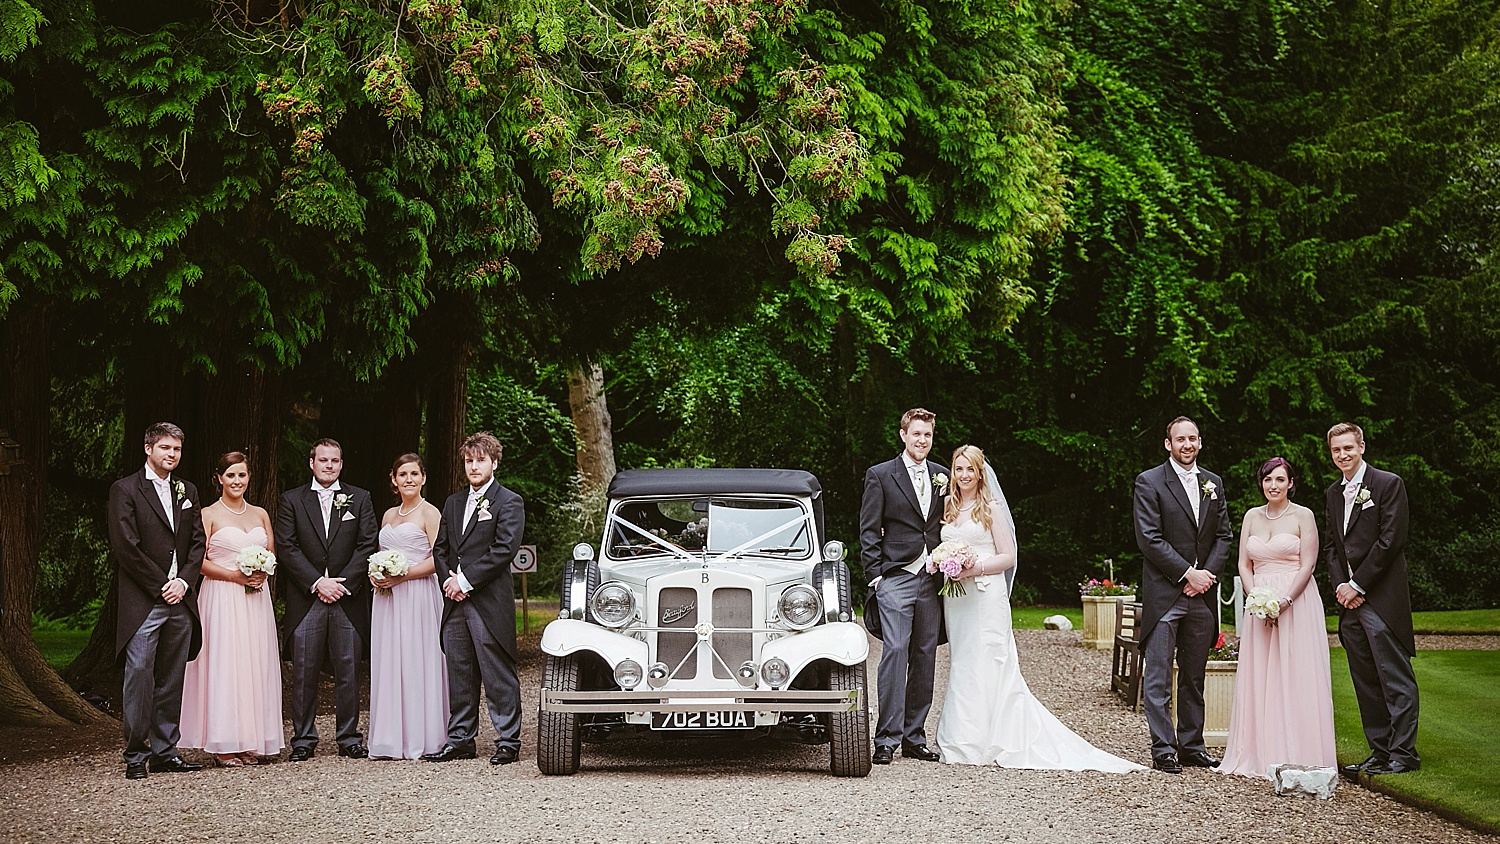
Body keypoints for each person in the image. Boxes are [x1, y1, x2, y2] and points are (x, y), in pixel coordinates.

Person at [935, 446, 1143, 772]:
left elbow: (1008, 557)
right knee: (964, 660)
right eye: (958, 469)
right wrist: (944, 561)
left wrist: (974, 567)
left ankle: (996, 736)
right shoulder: (950, 505)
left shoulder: (992, 507)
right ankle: (963, 738)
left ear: (980, 473)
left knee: (990, 659)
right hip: (958, 599)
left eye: (969, 470)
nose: (963, 476)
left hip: (986, 596)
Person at [1218, 457, 1335, 778]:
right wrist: (1255, 597)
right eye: (1268, 480)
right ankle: (1258, 752)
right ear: (1262, 483)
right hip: (1259, 604)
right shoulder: (1252, 517)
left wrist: (1283, 601)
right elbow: (1243, 563)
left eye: (1280, 480)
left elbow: (1308, 564)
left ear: (1291, 483)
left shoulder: (1303, 516)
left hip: (1296, 602)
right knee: (1261, 675)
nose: (1274, 486)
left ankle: (1300, 751)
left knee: (1296, 673)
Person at [1132, 416, 1233, 773]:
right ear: (1168, 444)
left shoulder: (1213, 483)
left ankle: (1192, 745)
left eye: (1193, 439)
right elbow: (1149, 538)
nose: (1187, 445)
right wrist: (1187, 573)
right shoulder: (1149, 481)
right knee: (1158, 676)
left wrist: (1206, 576)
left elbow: (1223, 535)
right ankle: (1163, 748)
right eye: (1180, 439)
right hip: (1166, 595)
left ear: (1200, 442)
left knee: (1194, 675)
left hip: (1202, 595)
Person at [107, 421, 206, 780]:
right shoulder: (125, 489)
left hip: (180, 600)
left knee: (172, 677)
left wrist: (183, 582)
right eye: (165, 448)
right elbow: (125, 547)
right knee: (139, 676)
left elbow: (198, 543)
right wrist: (162, 584)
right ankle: (135, 755)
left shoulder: (187, 490)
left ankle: (165, 751)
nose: (172, 455)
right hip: (145, 602)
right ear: (148, 449)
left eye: (177, 449)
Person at [422, 432, 526, 765]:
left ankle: (508, 740)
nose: (474, 466)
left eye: (480, 460)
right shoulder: (453, 503)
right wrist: (449, 582)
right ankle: (461, 739)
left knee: (497, 673)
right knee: (459, 672)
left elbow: (503, 550)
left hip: (488, 601)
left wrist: (466, 581)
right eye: (469, 460)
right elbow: (440, 549)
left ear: (494, 462)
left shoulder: (509, 502)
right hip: (455, 602)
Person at [275, 438, 379, 761]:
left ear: (341, 464)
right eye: (323, 460)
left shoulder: (359, 499)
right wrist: (318, 583)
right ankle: (303, 739)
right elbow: (287, 548)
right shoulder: (291, 500)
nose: (329, 466)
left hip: (347, 598)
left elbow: (367, 544)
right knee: (304, 671)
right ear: (312, 463)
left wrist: (341, 583)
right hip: (308, 599)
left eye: (335, 461)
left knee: (348, 670)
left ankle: (348, 737)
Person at [1325, 422, 1419, 776]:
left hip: (1381, 599)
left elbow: (1391, 540)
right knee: (1365, 681)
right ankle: (1380, 751)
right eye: (1336, 450)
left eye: (1348, 448)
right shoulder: (1334, 493)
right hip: (1349, 603)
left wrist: (1358, 585)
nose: (1342, 455)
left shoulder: (1388, 484)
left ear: (1362, 446)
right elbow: (1334, 546)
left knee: (1395, 679)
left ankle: (1404, 754)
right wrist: (1341, 586)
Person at [179, 452, 285, 767]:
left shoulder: (261, 513)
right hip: (222, 597)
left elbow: (271, 551)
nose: (237, 481)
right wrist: (234, 575)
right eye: (231, 476)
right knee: (226, 665)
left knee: (254, 664)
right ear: (219, 478)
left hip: (256, 599)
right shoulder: (209, 514)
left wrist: (262, 571)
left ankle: (250, 739)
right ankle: (223, 743)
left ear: (249, 477)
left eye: (242, 475)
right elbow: (196, 561)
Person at [859, 407, 947, 765]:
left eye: (927, 435)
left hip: (932, 579)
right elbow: (868, 528)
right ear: (903, 435)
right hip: (895, 577)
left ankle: (914, 737)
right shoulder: (881, 475)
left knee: (925, 655)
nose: (922, 441)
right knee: (895, 651)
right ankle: (885, 739)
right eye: (916, 434)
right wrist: (875, 575)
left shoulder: (942, 475)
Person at [367, 453, 449, 760]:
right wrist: (377, 574)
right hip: (387, 600)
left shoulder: (430, 513)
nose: (409, 479)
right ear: (394, 480)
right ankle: (390, 737)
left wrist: (403, 576)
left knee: (417, 659)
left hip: (417, 595)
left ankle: (422, 736)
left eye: (414, 473)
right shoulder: (388, 515)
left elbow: (438, 559)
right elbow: (380, 553)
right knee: (390, 660)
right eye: (403, 474)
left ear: (423, 477)